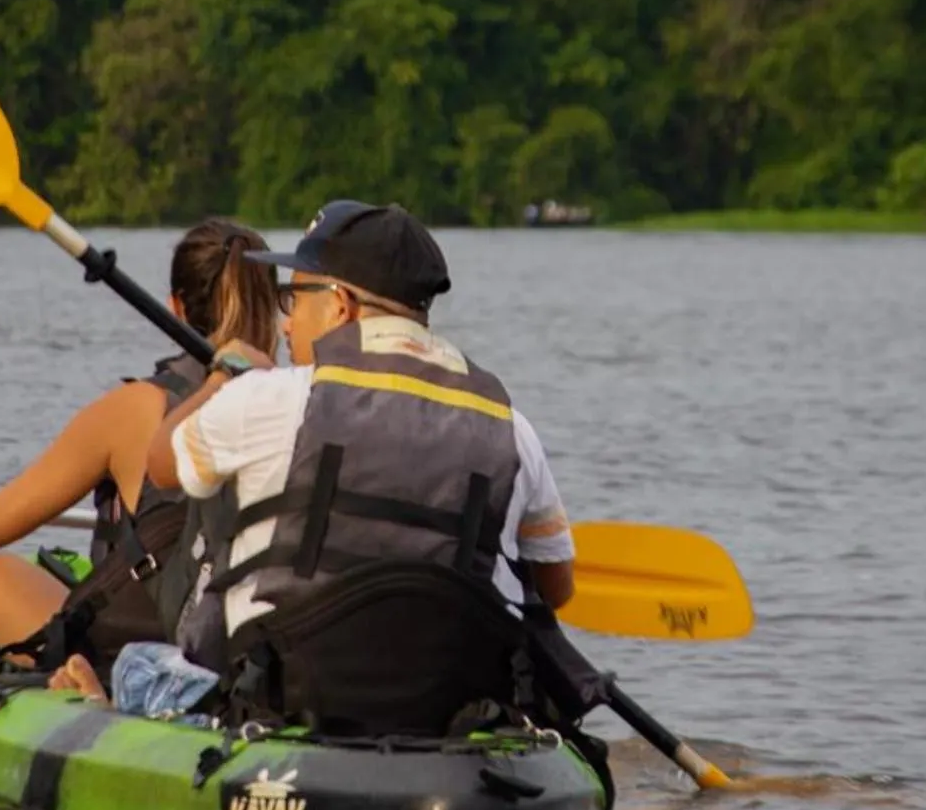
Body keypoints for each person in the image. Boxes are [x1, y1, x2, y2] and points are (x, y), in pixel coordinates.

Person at [49, 201, 577, 736]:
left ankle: (97, 708)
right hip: (449, 701)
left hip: (288, 696)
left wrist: (220, 375)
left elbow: (161, 464)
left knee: (140, 661)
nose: (284, 321)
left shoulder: (269, 397)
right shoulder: (510, 427)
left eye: (293, 299)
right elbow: (551, 590)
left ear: (341, 305)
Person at [0, 218, 279, 668]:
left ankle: (85, 681)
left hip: (149, 635)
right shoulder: (297, 397)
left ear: (177, 307)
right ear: (275, 307)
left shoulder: (136, 410)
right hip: (251, 630)